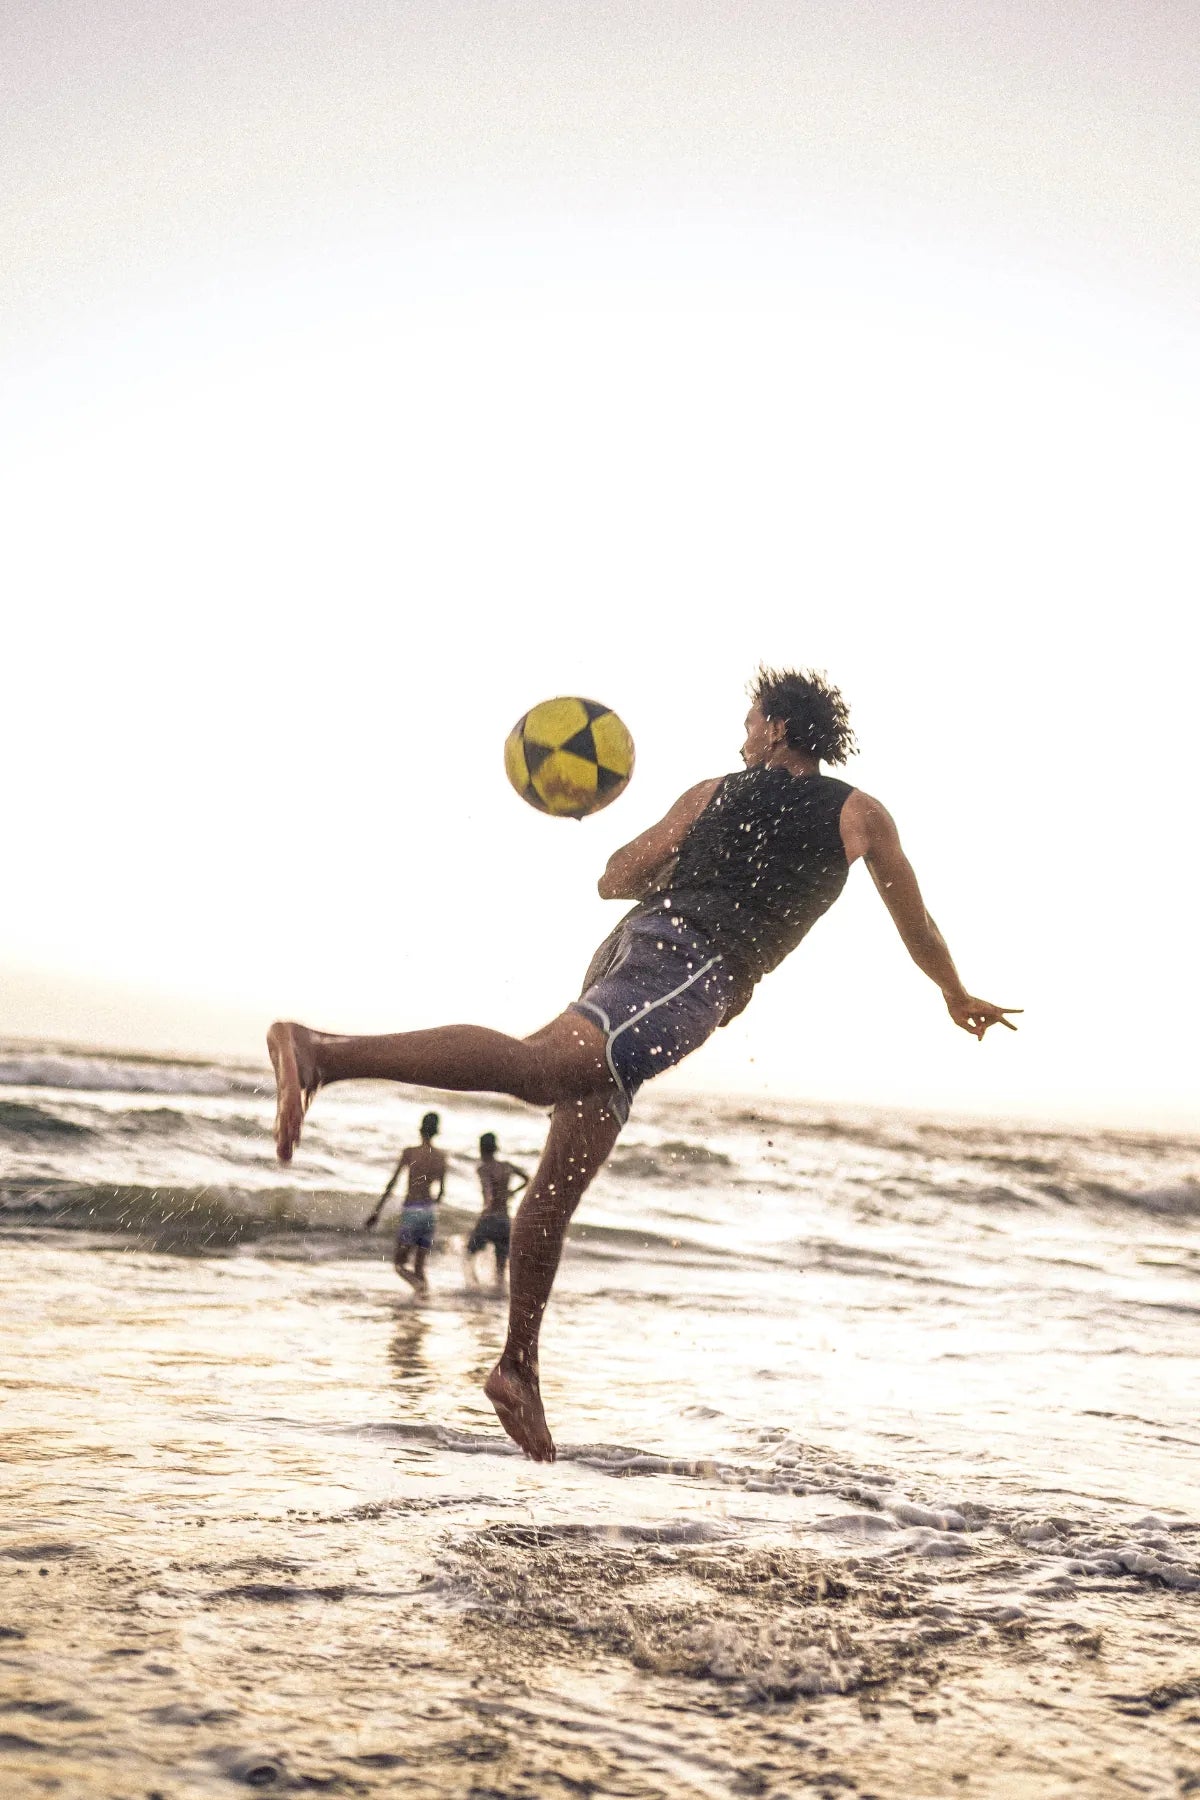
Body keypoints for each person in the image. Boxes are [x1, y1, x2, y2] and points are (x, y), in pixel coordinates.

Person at [269, 667, 1019, 1461]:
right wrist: (954, 991)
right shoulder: (860, 814)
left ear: (774, 730)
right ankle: (324, 1054)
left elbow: (614, 878)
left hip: (634, 949)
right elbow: (916, 917)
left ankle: (516, 1368)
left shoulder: (710, 794)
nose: (741, 735)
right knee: (541, 1068)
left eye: (748, 721)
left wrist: (692, 858)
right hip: (695, 969)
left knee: (559, 1180)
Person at [363, 1110, 446, 1292]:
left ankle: (421, 1290)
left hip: (412, 1211)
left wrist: (377, 1212)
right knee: (419, 1267)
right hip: (429, 1213)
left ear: (420, 1130)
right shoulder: (441, 1157)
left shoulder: (410, 1152)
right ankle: (421, 1302)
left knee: (399, 1265)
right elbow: (441, 1193)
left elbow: (392, 1183)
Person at [466, 1132, 528, 1285]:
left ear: (482, 1149)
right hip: (505, 1221)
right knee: (501, 1265)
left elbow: (488, 1193)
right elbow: (527, 1179)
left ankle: (474, 1288)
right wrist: (512, 1192)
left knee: (469, 1254)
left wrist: (485, 1212)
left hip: (490, 1218)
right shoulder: (507, 1166)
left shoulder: (483, 1169)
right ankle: (498, 1294)